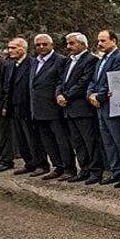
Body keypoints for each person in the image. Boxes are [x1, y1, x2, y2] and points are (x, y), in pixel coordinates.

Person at [56, 32, 103, 184]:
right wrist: (59, 95)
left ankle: (96, 171)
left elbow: (83, 82)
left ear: (82, 44)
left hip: (82, 108)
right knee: (78, 142)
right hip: (69, 109)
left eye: (72, 43)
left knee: (90, 141)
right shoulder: (69, 61)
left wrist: (67, 96)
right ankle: (84, 169)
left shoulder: (91, 60)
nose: (68, 46)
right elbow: (61, 81)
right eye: (68, 43)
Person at [87, 29, 120, 188]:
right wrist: (91, 94)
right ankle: (116, 171)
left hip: (113, 106)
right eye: (98, 41)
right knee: (108, 142)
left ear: (114, 40)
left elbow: (115, 81)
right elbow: (94, 80)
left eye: (103, 41)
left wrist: (99, 96)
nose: (99, 44)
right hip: (100, 107)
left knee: (118, 141)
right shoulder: (101, 60)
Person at [29, 34, 75, 181]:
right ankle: (57, 166)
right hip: (38, 108)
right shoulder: (35, 62)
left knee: (62, 140)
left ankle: (69, 168)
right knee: (47, 140)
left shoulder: (60, 60)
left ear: (51, 45)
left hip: (55, 108)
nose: (41, 47)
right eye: (38, 45)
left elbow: (61, 82)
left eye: (44, 44)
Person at [4, 37, 47, 176]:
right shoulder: (11, 65)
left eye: (14, 47)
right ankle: (29, 163)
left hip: (28, 107)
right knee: (21, 138)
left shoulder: (32, 63)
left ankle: (41, 164)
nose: (10, 50)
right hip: (14, 107)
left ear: (23, 48)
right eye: (9, 48)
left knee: (33, 138)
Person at [0, 49, 14, 172]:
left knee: (3, 135)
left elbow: (7, 87)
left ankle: (6, 161)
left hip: (0, 105)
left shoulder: (3, 65)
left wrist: (5, 106)